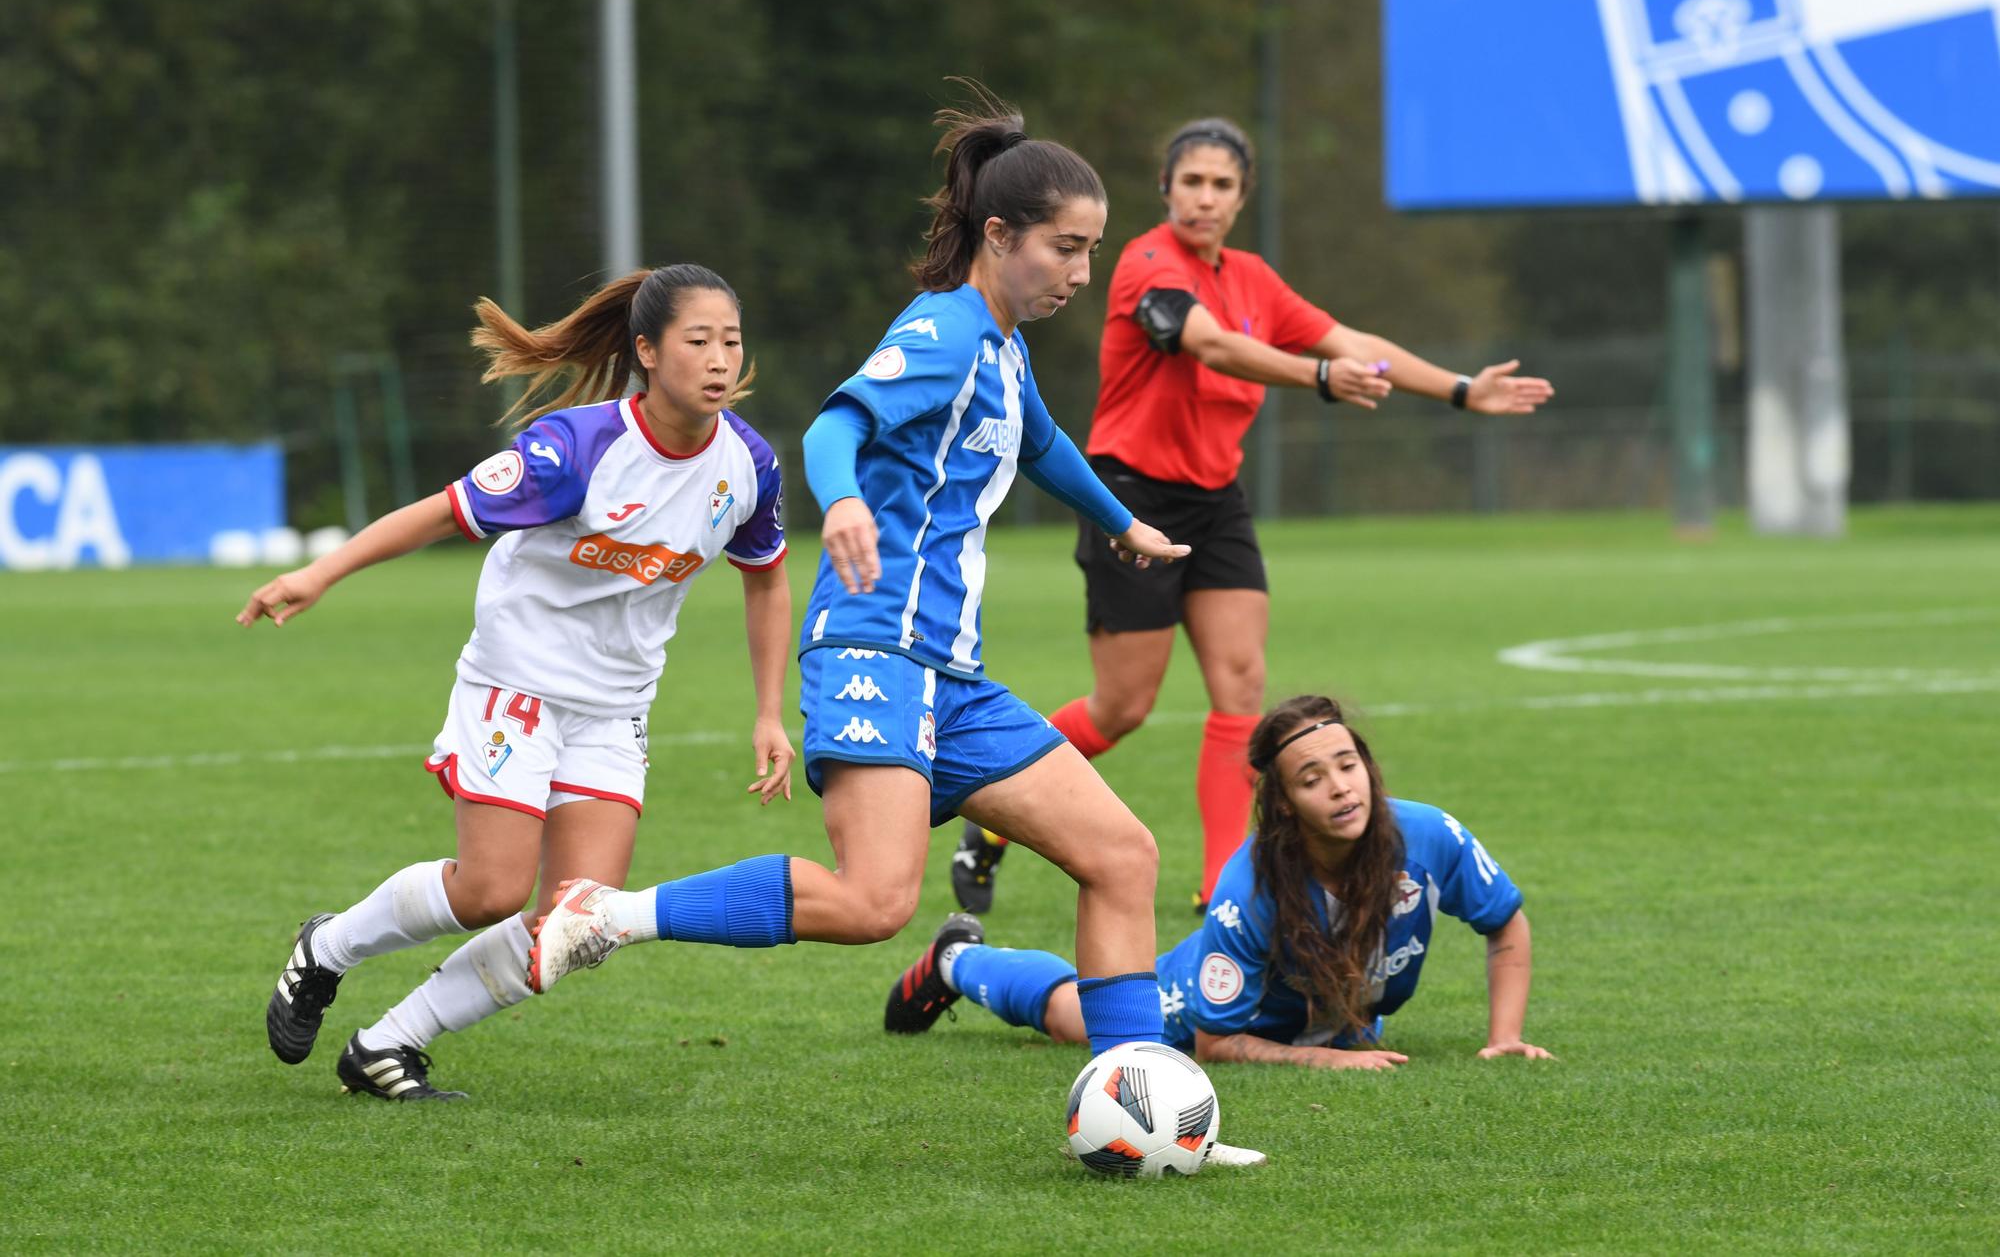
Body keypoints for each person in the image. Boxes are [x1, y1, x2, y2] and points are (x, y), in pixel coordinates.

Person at [525, 89, 1191, 1064]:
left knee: (1122, 855)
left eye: (1091, 250)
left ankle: (1141, 1094)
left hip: (949, 674)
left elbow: (1040, 445)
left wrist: (1124, 522)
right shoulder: (945, 331)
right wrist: (838, 502)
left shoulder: (1001, 349)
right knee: (874, 901)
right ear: (999, 235)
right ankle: (609, 912)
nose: (1081, 272)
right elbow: (835, 425)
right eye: (1065, 247)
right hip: (873, 645)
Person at [953, 117, 1556, 914]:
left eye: (1223, 184)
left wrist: (1457, 388)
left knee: (1240, 687)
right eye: (1192, 181)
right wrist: (1319, 376)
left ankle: (1219, 888)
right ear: (1167, 189)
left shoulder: (1252, 278)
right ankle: (989, 824)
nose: (1206, 198)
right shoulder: (1144, 263)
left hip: (1217, 501)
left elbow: (1353, 340)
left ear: (1242, 197)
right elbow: (1210, 346)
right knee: (1123, 705)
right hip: (1132, 493)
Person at [248, 263, 793, 1100]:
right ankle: (329, 947)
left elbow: (766, 577)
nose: (721, 359)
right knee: (490, 891)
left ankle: (388, 1044)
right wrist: (320, 573)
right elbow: (442, 511)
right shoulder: (577, 450)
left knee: (578, 921)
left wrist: (767, 712)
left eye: (732, 340)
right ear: (648, 351)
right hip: (518, 683)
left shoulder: (748, 464)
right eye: (699, 341)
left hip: (615, 707)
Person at [903, 694, 1551, 1069]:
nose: (1339, 787)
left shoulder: (1430, 835)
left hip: (1331, 1019)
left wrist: (1504, 1035)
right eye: (1311, 778)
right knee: (1076, 1016)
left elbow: (1505, 922)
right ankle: (958, 958)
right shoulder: (1251, 884)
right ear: (1285, 804)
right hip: (1205, 1003)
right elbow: (1216, 1041)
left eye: (1348, 764)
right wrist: (1329, 1059)